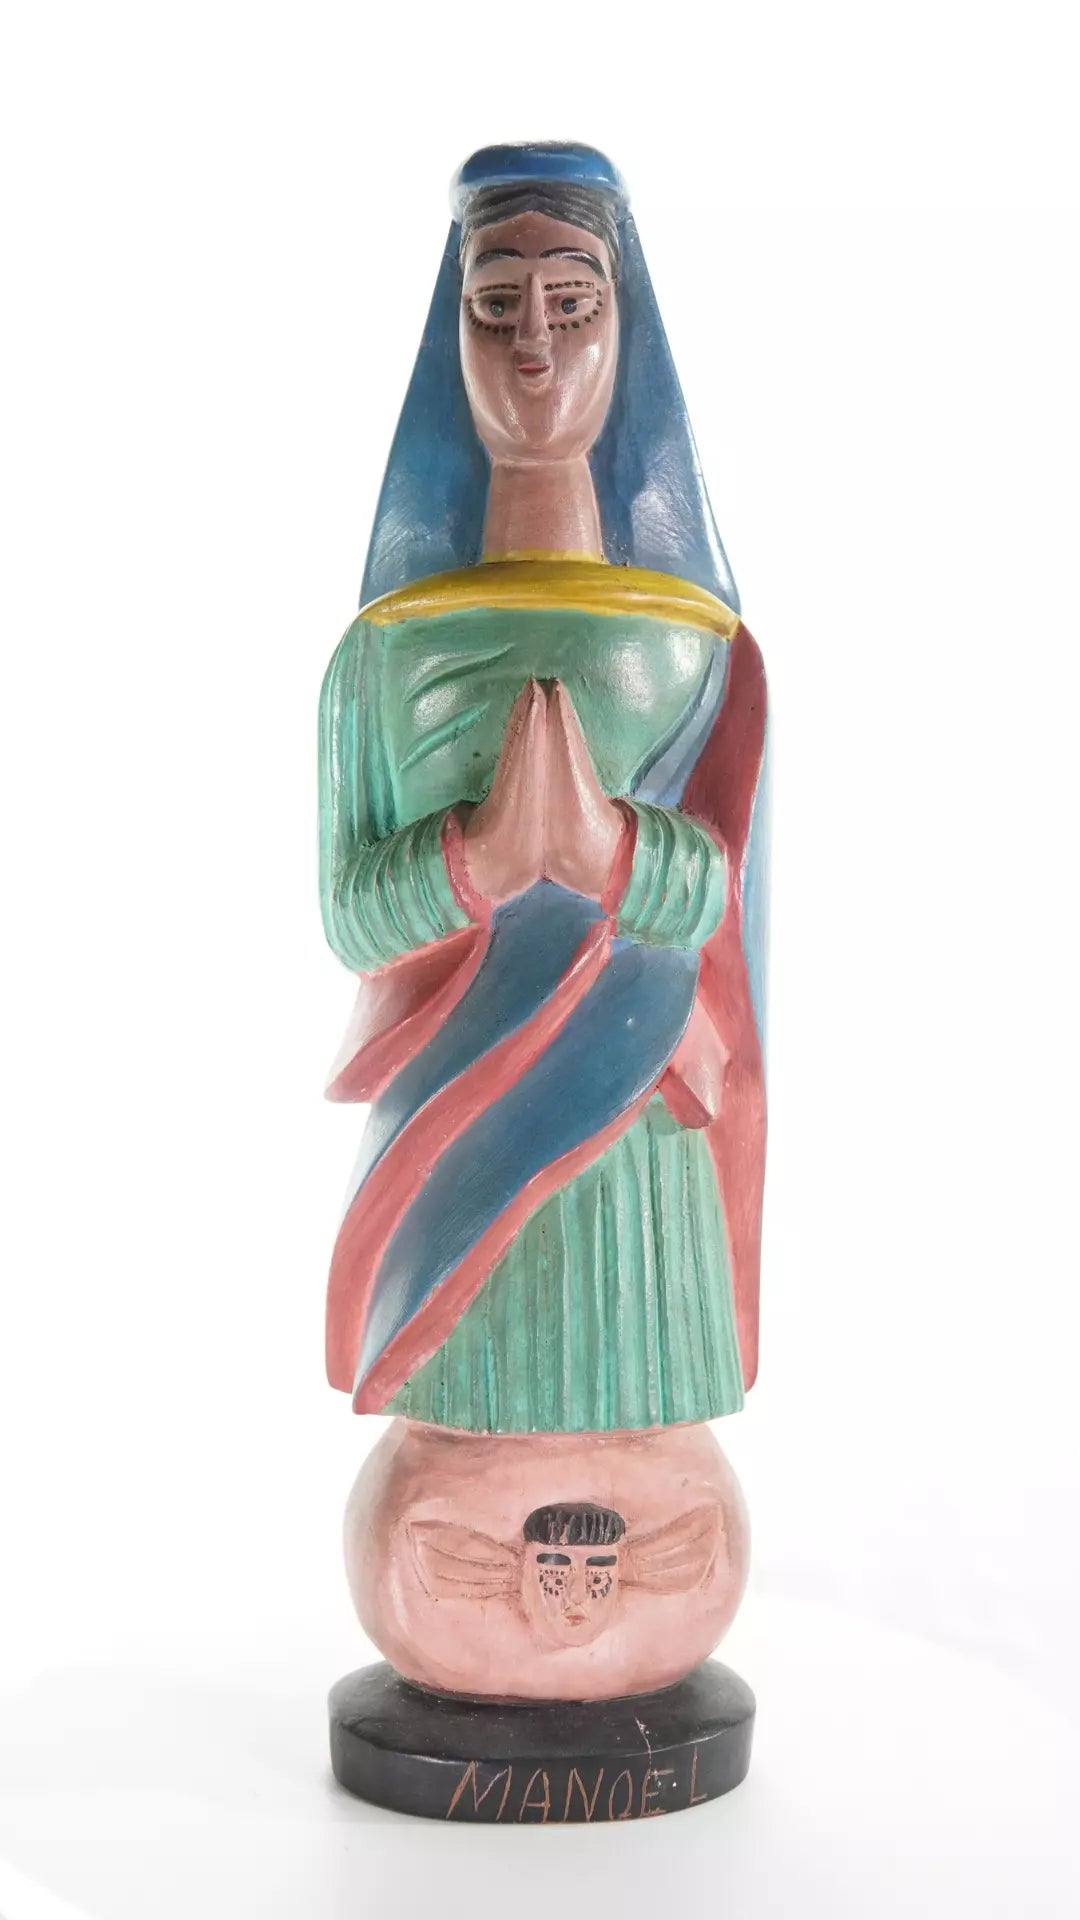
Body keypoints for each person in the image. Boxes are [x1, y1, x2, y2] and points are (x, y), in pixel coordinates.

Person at [319, 143, 768, 1437]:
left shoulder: (697, 644)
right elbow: (349, 915)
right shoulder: (383, 653)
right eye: (494, 304)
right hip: (450, 1124)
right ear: (451, 340)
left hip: (640, 1134)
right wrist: (476, 862)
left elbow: (733, 892)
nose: (533, 348)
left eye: (572, 305)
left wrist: (613, 853)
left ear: (625, 338)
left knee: (666, 1494)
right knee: (442, 1499)